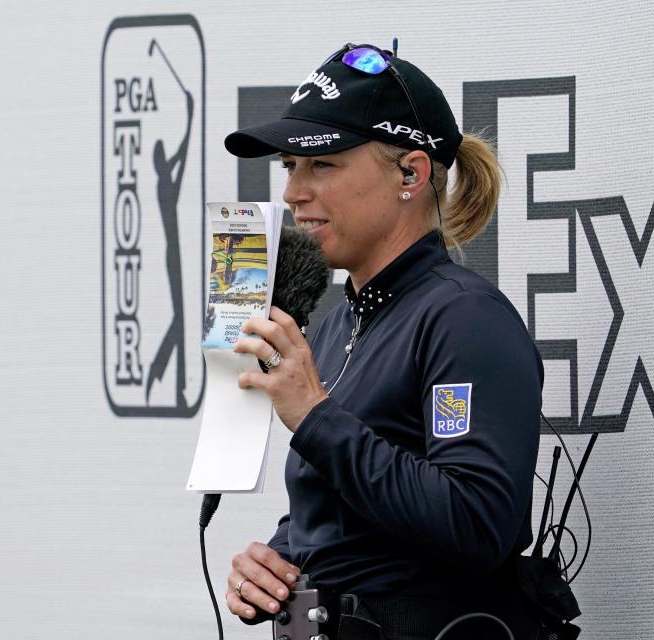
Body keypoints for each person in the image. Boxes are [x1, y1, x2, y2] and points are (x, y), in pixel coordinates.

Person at [221, 44, 545, 639]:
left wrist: (317, 416)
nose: (294, 192)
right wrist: (280, 559)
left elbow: (477, 523)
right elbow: (355, 516)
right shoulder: (341, 322)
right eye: (289, 167)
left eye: (322, 165)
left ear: (410, 174)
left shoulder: (465, 317)